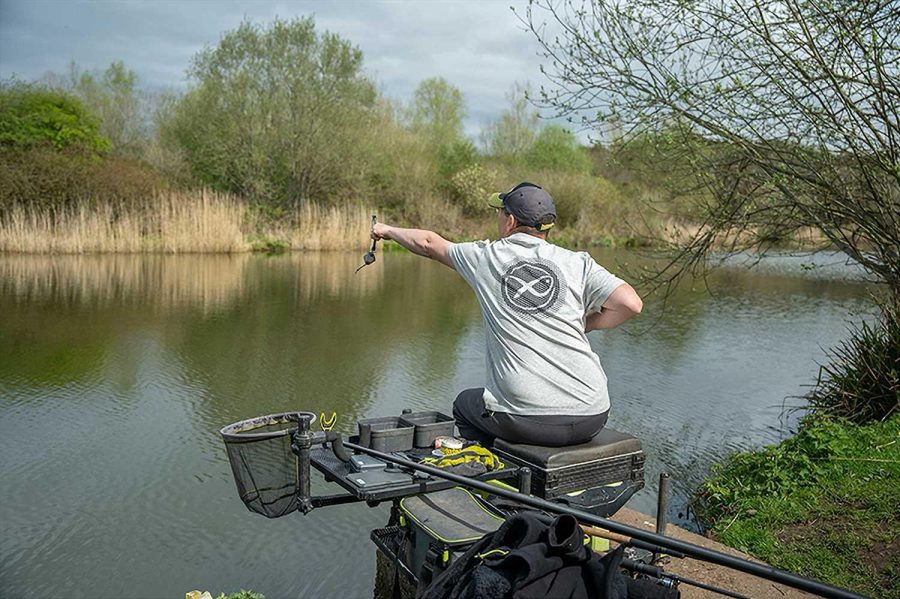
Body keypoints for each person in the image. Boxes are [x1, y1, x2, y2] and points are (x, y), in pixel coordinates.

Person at [371, 182, 642, 447]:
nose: (498, 218)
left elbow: (429, 243)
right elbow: (630, 304)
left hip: (525, 419)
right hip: (593, 415)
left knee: (465, 405)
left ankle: (487, 472)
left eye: (499, 213)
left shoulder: (487, 257)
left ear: (510, 221)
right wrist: (585, 324)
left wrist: (387, 230)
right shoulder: (577, 262)